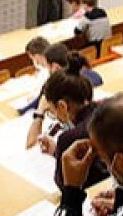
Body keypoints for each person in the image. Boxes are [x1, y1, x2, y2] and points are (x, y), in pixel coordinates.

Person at [31, 59, 107, 190]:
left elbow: (66, 186)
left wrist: (61, 151)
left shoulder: (69, 138)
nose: (55, 118)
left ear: (62, 106)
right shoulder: (107, 110)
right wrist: (56, 151)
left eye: (51, 112)